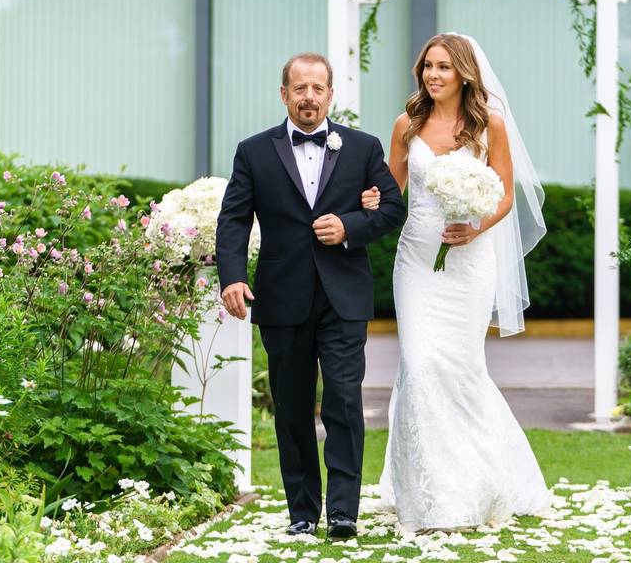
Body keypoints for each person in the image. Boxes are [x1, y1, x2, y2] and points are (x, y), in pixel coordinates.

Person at [361, 33, 552, 531]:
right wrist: (368, 202)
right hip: (416, 262)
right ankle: (428, 493)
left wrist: (476, 227)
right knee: (419, 364)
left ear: (465, 72)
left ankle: (482, 479)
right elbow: (392, 190)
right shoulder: (408, 124)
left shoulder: (490, 124)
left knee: (462, 367)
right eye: (427, 66)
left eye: (443, 67)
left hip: (470, 265)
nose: (433, 75)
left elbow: (506, 195)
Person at [216, 52, 406, 538]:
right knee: (293, 406)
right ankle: (302, 511)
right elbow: (234, 219)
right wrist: (232, 277)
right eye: (299, 89)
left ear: (330, 94)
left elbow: (392, 208)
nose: (308, 97)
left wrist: (349, 226)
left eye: (317, 88)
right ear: (284, 94)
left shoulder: (361, 148)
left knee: (344, 399)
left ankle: (343, 512)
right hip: (282, 298)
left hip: (343, 297)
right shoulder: (253, 151)